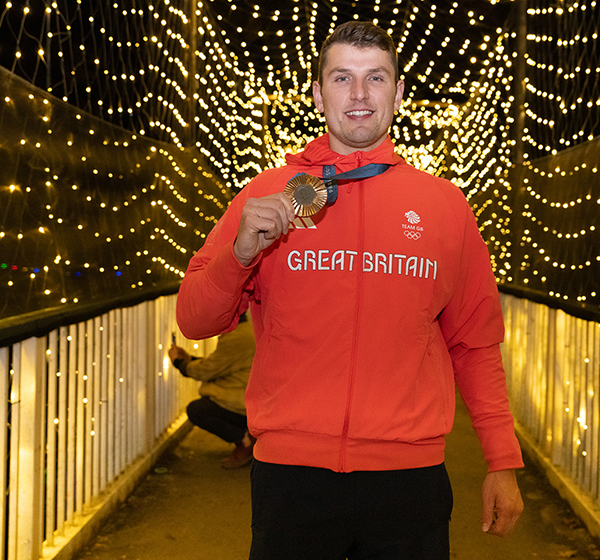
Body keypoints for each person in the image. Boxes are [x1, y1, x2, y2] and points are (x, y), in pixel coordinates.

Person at [176, 20, 524, 559]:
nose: (359, 95)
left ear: (399, 92)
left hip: (408, 480)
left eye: (375, 78)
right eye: (342, 78)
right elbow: (195, 320)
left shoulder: (445, 206)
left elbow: (474, 343)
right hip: (292, 478)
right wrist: (240, 253)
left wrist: (501, 460)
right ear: (317, 94)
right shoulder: (269, 194)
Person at [169, 312, 256, 469]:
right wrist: (189, 359)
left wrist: (179, 363)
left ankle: (245, 441)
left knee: (197, 410)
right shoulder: (245, 331)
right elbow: (219, 365)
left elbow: (207, 371)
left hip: (242, 402)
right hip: (250, 397)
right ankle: (248, 436)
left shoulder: (236, 337)